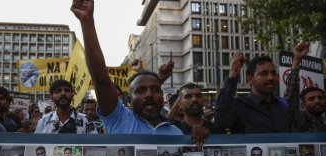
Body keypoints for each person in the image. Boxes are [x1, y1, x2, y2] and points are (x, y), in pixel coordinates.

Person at [70, 0, 208, 145]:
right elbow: (101, 79)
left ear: (162, 96)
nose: (149, 94)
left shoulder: (177, 133)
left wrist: (201, 137)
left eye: (155, 90)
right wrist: (87, 21)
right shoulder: (119, 118)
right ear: (129, 100)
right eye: (141, 91)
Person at [214, 51, 291, 133]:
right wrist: (232, 76)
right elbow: (220, 121)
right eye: (264, 74)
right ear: (250, 79)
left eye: (273, 73)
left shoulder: (283, 105)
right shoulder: (239, 106)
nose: (271, 77)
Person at [284, 42, 326, 132]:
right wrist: (297, 60)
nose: (317, 101)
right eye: (311, 99)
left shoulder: (325, 125)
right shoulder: (299, 120)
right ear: (303, 105)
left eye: (320, 98)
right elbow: (291, 97)